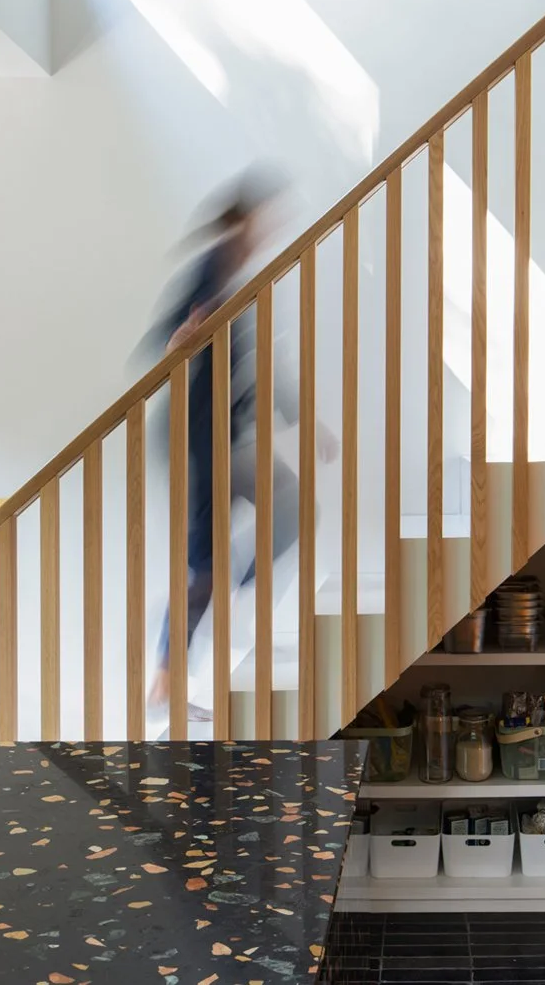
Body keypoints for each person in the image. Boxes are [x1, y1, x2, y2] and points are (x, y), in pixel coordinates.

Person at [148, 165, 337, 716]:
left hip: (230, 439)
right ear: (245, 222)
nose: (269, 231)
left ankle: (228, 598)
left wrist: (308, 423)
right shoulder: (210, 273)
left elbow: (263, 367)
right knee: (204, 568)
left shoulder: (238, 282)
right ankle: (166, 680)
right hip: (198, 442)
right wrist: (179, 342)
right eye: (265, 220)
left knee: (294, 509)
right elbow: (164, 342)